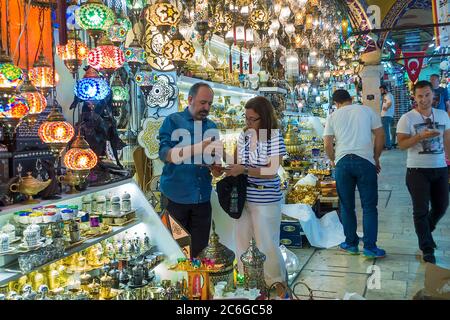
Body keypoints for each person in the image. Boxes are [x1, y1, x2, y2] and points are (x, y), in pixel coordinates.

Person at [224, 96, 288, 297]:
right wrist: (223, 165)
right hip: (244, 198)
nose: (248, 123)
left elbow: (271, 170)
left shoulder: (274, 137)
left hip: (266, 199)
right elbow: (236, 161)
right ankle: (248, 285)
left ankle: (277, 286)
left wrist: (244, 169)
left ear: (265, 118)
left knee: (266, 244)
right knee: (242, 242)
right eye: (246, 118)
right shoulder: (244, 136)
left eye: (253, 119)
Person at [158, 82, 224, 258]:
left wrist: (217, 168)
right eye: (203, 102)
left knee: (200, 253)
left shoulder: (211, 127)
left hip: (202, 198)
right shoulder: (173, 121)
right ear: (190, 99)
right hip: (175, 198)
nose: (206, 107)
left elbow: (215, 167)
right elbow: (165, 154)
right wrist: (199, 147)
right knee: (176, 252)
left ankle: (197, 285)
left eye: (209, 104)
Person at [323, 89, 386, 258]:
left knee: (346, 206)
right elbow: (380, 135)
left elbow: (327, 144)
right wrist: (376, 157)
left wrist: (334, 160)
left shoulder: (333, 116)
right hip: (365, 161)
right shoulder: (366, 110)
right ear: (351, 99)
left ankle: (351, 244)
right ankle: (370, 248)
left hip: (343, 162)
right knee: (369, 207)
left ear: (336, 103)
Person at [397, 80, 450, 264]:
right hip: (417, 170)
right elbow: (402, 144)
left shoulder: (443, 115)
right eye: (420, 96)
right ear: (414, 97)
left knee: (442, 206)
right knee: (420, 210)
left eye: (427, 95)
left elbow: (447, 140)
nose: (424, 99)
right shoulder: (407, 118)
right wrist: (419, 136)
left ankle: (426, 229)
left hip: (440, 168)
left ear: (433, 94)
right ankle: (427, 248)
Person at [379, 85, 395, 150]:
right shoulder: (386, 96)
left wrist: (386, 108)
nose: (381, 92)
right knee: (385, 131)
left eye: (381, 90)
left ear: (385, 89)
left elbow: (390, 103)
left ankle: (388, 145)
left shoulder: (389, 95)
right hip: (385, 115)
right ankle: (386, 144)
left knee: (385, 132)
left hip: (386, 115)